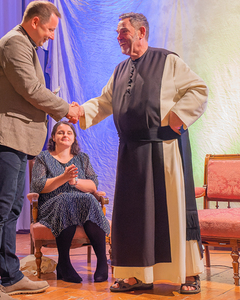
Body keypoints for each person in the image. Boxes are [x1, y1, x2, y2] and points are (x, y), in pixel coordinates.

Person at [76, 13, 208, 294]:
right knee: (133, 217)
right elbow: (103, 102)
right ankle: (137, 275)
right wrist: (79, 112)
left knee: (171, 212)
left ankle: (188, 273)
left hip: (164, 149)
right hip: (130, 153)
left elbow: (198, 89)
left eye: (123, 31)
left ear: (141, 31)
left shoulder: (167, 61)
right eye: (118, 32)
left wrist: (177, 116)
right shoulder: (120, 70)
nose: (118, 36)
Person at [0, 1, 79, 300]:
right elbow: (31, 89)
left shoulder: (26, 46)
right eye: (49, 29)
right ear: (34, 22)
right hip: (1, 137)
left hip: (15, 139)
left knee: (11, 210)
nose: (51, 36)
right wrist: (65, 109)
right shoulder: (15, 44)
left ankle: (10, 276)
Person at [30, 121, 110, 283]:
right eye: (60, 132)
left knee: (87, 198)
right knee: (66, 199)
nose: (65, 135)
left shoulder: (82, 158)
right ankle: (64, 264)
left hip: (81, 205)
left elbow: (93, 184)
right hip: (52, 205)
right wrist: (63, 178)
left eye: (69, 132)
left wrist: (74, 182)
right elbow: (38, 186)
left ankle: (102, 262)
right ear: (53, 137)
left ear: (73, 138)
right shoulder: (43, 157)